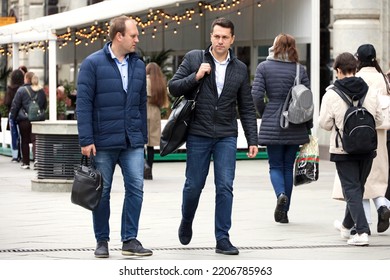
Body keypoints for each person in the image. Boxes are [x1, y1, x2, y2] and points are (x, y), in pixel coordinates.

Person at [168, 18, 258, 255]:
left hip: (226, 135)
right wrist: (195, 77)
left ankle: (222, 238)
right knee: (193, 185)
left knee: (225, 186)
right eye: (216, 36)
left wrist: (253, 139)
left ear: (232, 39)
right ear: (211, 36)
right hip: (198, 133)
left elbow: (246, 107)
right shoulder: (194, 58)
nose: (220, 41)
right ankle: (186, 220)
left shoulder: (239, 68)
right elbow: (173, 87)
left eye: (225, 37)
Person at [76, 15, 152, 258]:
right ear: (119, 36)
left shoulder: (138, 65)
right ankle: (102, 240)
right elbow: (84, 104)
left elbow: (141, 104)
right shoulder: (92, 64)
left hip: (132, 141)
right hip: (103, 142)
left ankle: (129, 239)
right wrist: (86, 139)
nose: (137, 39)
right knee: (102, 191)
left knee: (136, 189)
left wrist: (141, 136)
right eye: (133, 35)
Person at [319, 52, 383, 246]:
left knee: (351, 189)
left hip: (343, 149)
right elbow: (379, 119)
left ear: (338, 71)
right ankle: (347, 227)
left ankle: (362, 232)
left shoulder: (331, 94)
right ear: (355, 69)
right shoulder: (370, 91)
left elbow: (324, 123)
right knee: (357, 188)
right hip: (367, 148)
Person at [251, 33, 312, 224]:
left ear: (274, 46)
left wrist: (265, 112)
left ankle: (280, 195)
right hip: (295, 124)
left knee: (275, 165)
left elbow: (256, 96)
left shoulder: (264, 67)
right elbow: (307, 101)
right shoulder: (299, 69)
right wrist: (307, 126)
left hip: (273, 122)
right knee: (288, 167)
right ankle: (284, 212)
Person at [332, 44, 390, 234]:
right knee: (377, 182)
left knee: (358, 184)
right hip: (377, 136)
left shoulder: (358, 79)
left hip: (355, 136)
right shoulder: (383, 78)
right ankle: (383, 206)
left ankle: (361, 226)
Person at [10, 73, 47, 169]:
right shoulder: (41, 90)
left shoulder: (21, 90)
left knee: (24, 141)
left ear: (26, 79)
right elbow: (44, 105)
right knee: (36, 140)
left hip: (24, 120)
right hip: (38, 120)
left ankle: (26, 163)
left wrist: (13, 117)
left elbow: (15, 105)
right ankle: (37, 160)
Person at [144, 62, 169, 180]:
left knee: (140, 143)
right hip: (155, 113)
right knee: (151, 146)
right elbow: (165, 103)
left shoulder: (144, 81)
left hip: (144, 110)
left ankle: (144, 168)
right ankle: (149, 171)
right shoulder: (160, 83)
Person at [4, 69, 25, 162]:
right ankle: (23, 154)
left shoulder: (10, 89)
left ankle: (15, 156)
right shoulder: (23, 89)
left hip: (12, 114)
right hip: (23, 114)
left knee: (14, 135)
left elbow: (7, 102)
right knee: (22, 135)